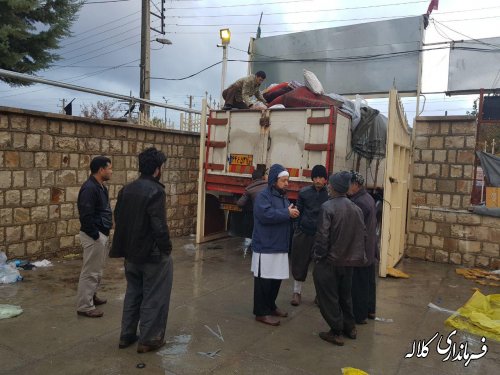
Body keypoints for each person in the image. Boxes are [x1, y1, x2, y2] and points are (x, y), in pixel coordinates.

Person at [110, 147, 173, 354]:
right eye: (161, 166)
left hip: (131, 254)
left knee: (133, 293)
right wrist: (166, 248)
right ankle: (149, 339)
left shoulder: (126, 189)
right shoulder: (157, 191)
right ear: (157, 169)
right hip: (152, 256)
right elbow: (159, 226)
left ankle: (126, 335)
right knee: (154, 296)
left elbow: (118, 217)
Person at [312, 171, 367, 346]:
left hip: (330, 261)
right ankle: (350, 328)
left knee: (328, 296)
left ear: (334, 188)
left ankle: (336, 331)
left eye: (330, 184)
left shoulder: (327, 207)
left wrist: (318, 257)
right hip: (349, 262)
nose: (328, 186)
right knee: (345, 295)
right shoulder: (356, 209)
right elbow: (362, 235)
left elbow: (322, 237)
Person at [251, 164, 300, 326]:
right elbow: (266, 215)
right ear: (274, 180)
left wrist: (292, 214)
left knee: (276, 279)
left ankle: (271, 306)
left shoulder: (283, 196)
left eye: (287, 180)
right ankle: (261, 312)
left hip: (279, 245)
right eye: (283, 180)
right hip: (266, 246)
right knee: (264, 281)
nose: (287, 183)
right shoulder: (263, 196)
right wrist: (287, 213)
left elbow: (282, 215)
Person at [76, 156, 113, 318]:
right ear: (101, 170)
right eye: (109, 168)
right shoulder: (90, 188)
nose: (111, 171)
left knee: (97, 270)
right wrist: (96, 235)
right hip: (94, 236)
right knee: (90, 271)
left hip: (101, 234)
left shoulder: (100, 187)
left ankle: (91, 296)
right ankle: (85, 306)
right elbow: (86, 215)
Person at [290, 165, 329, 306]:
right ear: (312, 178)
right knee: (299, 263)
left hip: (321, 236)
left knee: (321, 268)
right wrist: (297, 229)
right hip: (304, 233)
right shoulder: (304, 192)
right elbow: (298, 211)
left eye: (321, 177)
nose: (318, 180)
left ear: (325, 179)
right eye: (315, 177)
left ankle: (320, 296)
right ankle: (296, 293)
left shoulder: (329, 195)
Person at [348, 171, 378, 324]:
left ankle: (359, 316)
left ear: (355, 185)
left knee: (359, 285)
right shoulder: (368, 198)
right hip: (370, 249)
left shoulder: (359, 203)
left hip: (362, 250)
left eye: (349, 184)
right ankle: (370, 310)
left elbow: (357, 229)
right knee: (369, 282)